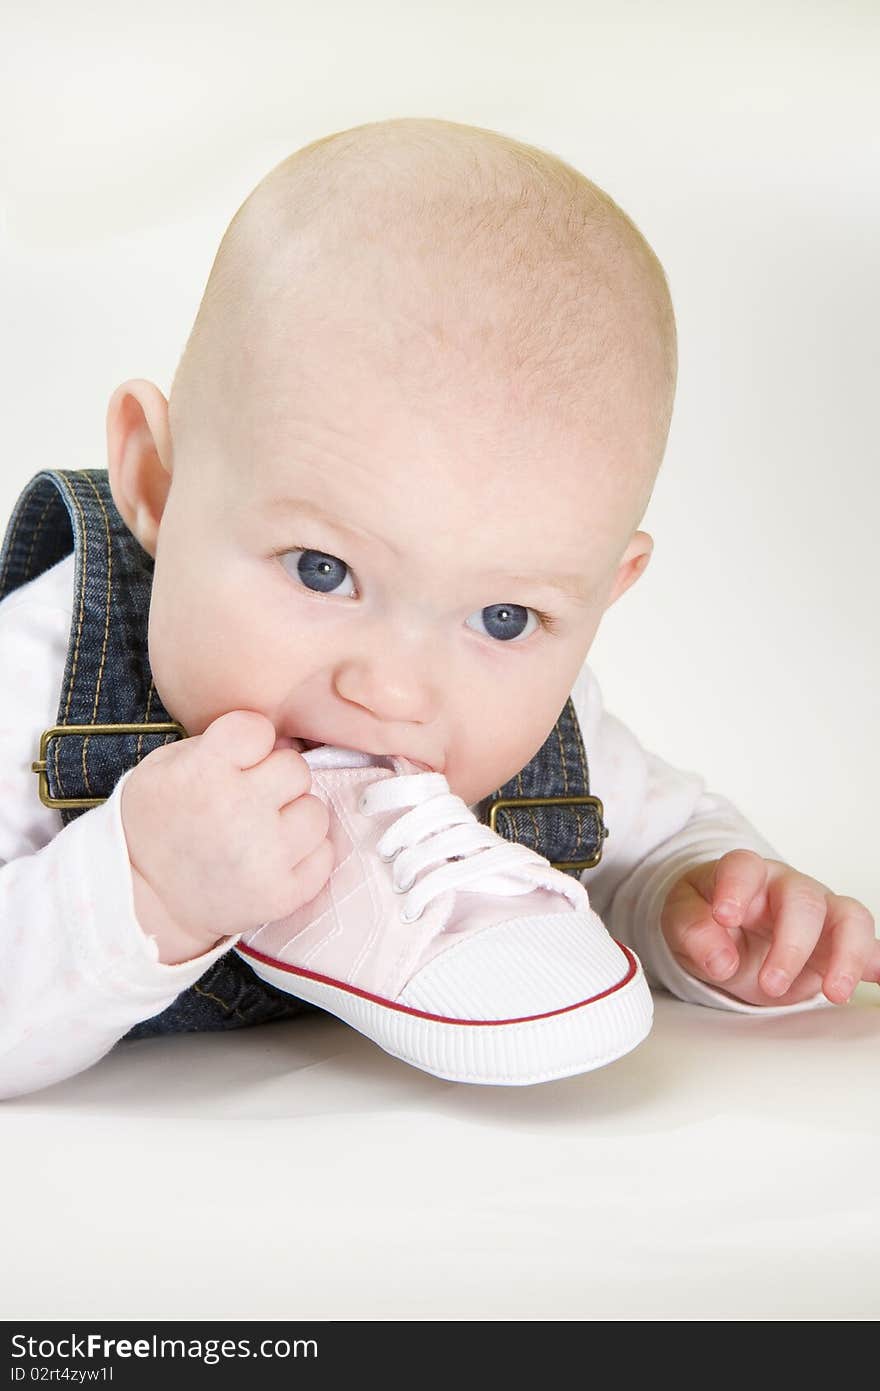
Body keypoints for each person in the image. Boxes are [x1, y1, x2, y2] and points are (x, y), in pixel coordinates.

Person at [1, 117, 876, 1100]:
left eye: (502, 618)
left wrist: (696, 903)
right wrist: (142, 888)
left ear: (601, 597)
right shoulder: (34, 679)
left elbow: (655, 839)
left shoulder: (550, 730)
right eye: (323, 570)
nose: (392, 689)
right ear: (158, 480)